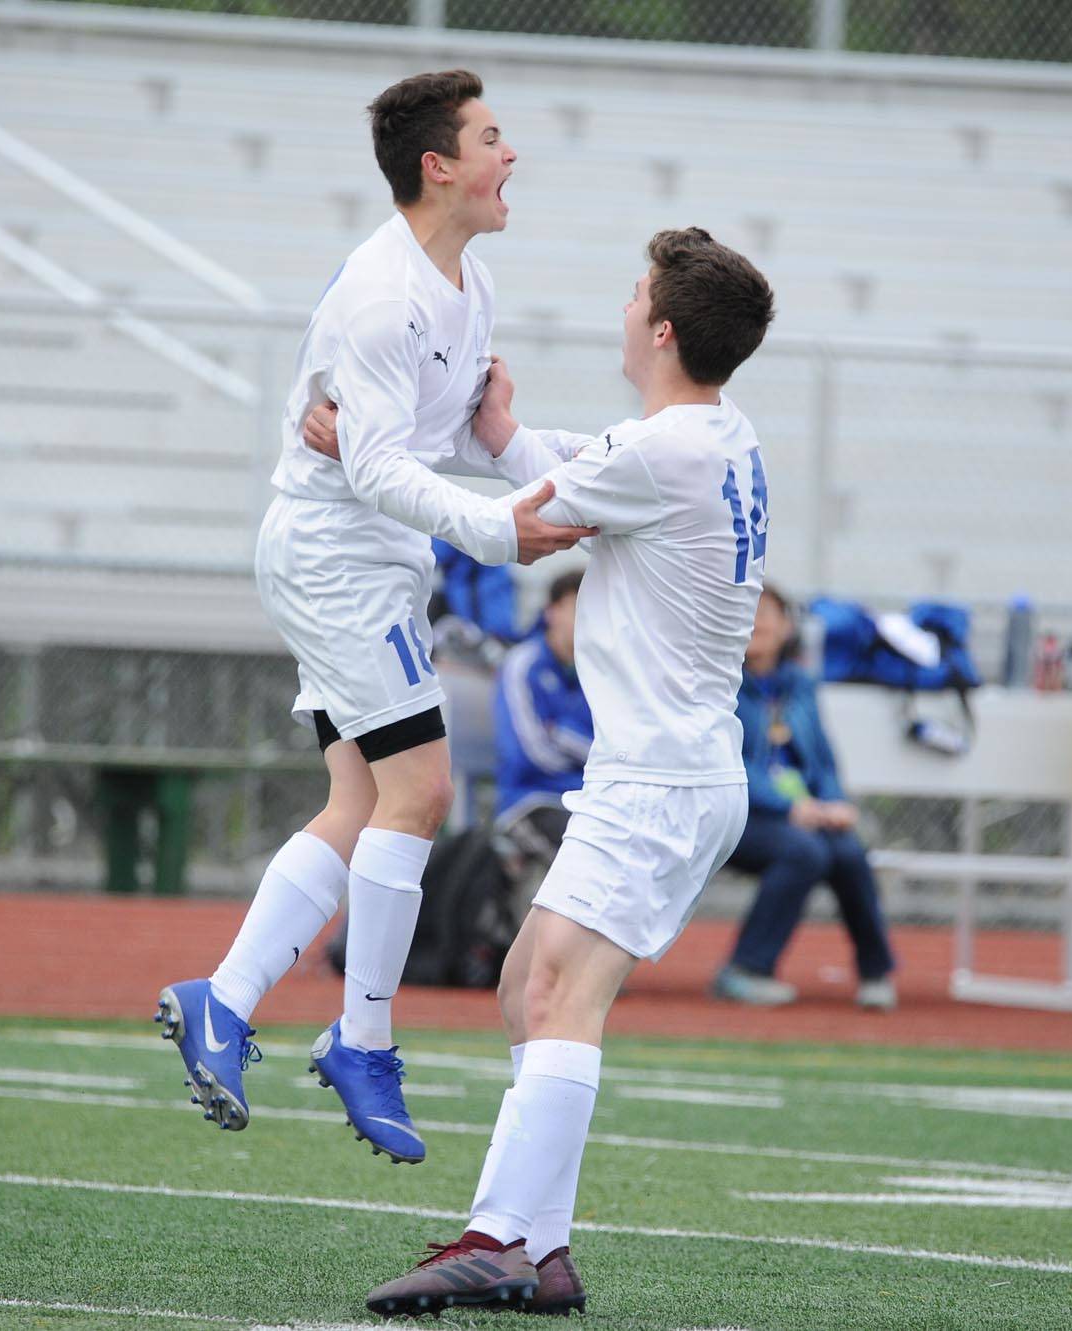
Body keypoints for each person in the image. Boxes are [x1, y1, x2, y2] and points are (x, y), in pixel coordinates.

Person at [155, 69, 595, 1167]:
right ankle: (360, 1036)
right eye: (493, 137)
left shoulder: (466, 286)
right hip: (337, 564)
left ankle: (226, 998)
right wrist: (498, 527)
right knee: (422, 788)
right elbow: (380, 463)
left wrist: (499, 439)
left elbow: (402, 442)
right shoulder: (381, 293)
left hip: (373, 563)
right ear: (436, 164)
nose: (511, 157)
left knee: (361, 798)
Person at [355, 226, 776, 1317]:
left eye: (638, 291)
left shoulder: (660, 449)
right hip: (672, 773)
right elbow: (580, 476)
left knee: (554, 994)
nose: (626, 305)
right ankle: (540, 1248)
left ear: (664, 328)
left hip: (656, 780)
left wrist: (366, 454)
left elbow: (524, 526)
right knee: (518, 987)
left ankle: (497, 1235)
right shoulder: (707, 434)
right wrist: (499, 434)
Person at [710, 584, 897, 1010]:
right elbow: (728, 762)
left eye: (768, 613)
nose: (757, 622)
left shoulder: (800, 684)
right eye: (747, 612)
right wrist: (791, 807)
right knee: (805, 852)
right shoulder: (718, 681)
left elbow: (823, 760)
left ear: (786, 625)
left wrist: (833, 804)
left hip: (801, 815)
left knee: (847, 850)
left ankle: (876, 972)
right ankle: (745, 969)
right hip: (737, 815)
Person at [491, 569, 590, 866]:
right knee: (588, 858)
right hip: (530, 802)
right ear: (552, 612)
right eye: (578, 608)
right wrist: (591, 774)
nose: (589, 618)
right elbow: (528, 754)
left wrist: (561, 735)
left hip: (586, 800)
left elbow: (616, 746)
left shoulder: (597, 671)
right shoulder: (523, 664)